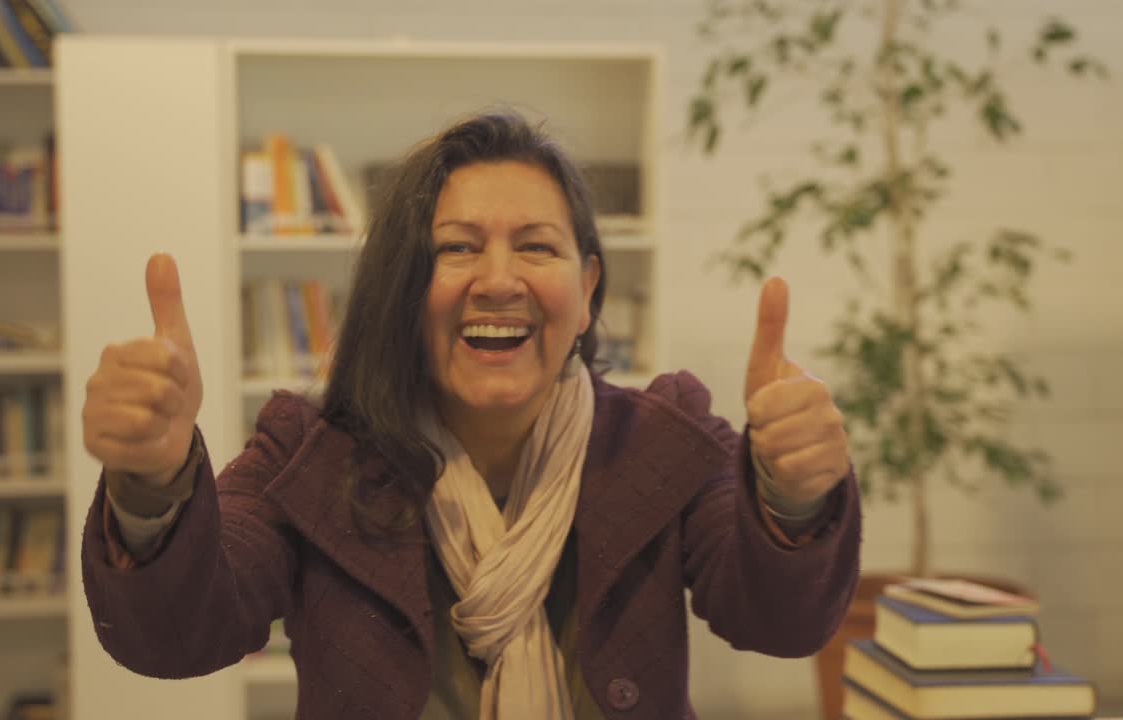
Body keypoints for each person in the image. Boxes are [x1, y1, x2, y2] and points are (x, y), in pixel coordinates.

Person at [79, 111, 861, 719]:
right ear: (404, 290)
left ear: (588, 290)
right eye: (456, 248)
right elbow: (175, 637)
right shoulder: (310, 454)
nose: (497, 279)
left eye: (537, 248)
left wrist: (794, 495)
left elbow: (781, 624)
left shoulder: (664, 441)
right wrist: (151, 481)